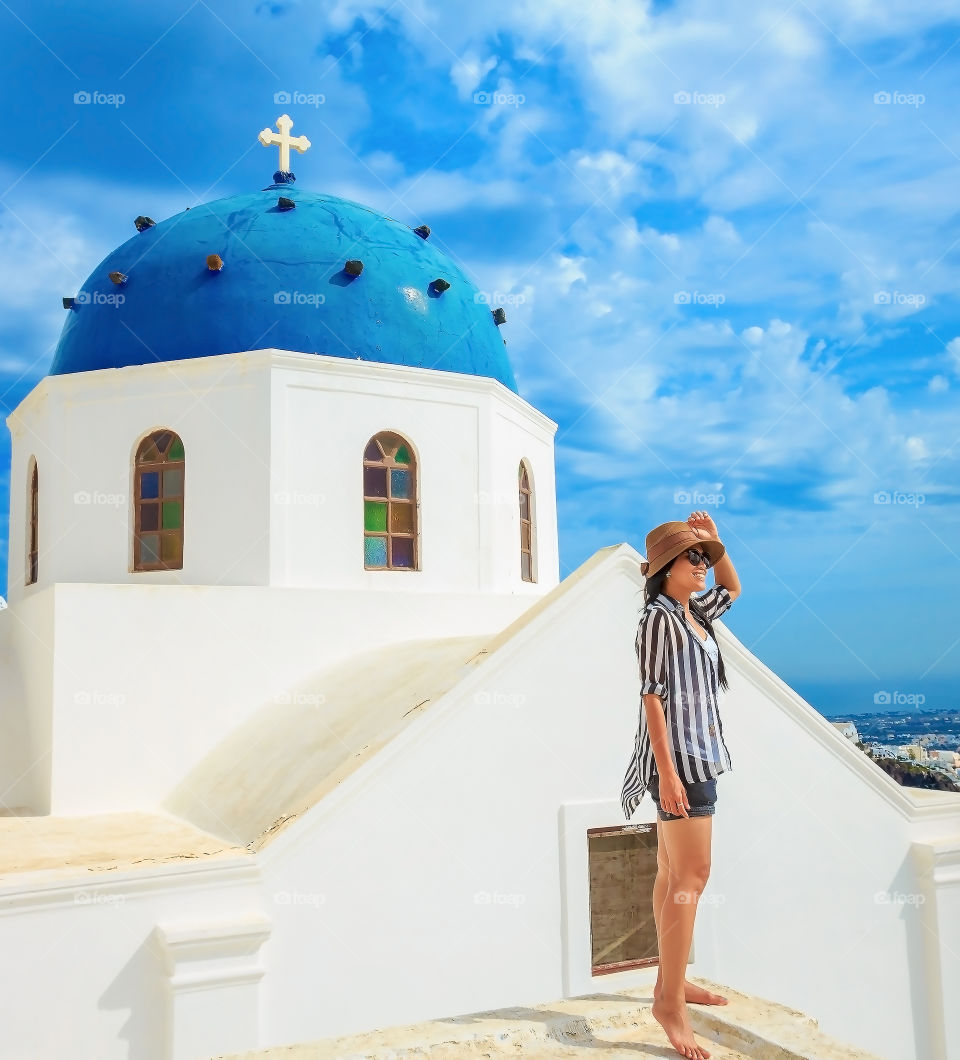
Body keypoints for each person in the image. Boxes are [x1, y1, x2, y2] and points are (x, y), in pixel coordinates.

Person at [621, 512, 741, 1060]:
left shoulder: (697, 613)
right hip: (680, 764)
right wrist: (667, 774)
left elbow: (732, 586)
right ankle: (670, 1002)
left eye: (705, 556)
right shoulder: (658, 618)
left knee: (673, 874)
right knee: (694, 874)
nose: (703, 565)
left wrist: (715, 535)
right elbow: (651, 696)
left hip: (702, 756)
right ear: (665, 567)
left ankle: (672, 981)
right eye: (693, 557)